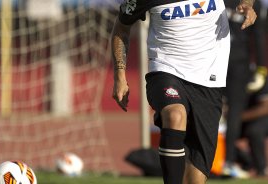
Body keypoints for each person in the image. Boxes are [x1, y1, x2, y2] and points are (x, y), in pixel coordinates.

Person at [110, 0, 257, 183]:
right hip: (165, 69)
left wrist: (248, 5)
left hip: (208, 81)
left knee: (195, 178)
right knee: (175, 115)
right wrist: (120, 76)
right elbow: (121, 27)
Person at [222, 0, 267, 178]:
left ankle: (222, 160)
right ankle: (228, 162)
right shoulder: (253, 4)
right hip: (237, 62)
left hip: (215, 60)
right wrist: (261, 67)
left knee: (218, 109)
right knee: (233, 112)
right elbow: (258, 36)